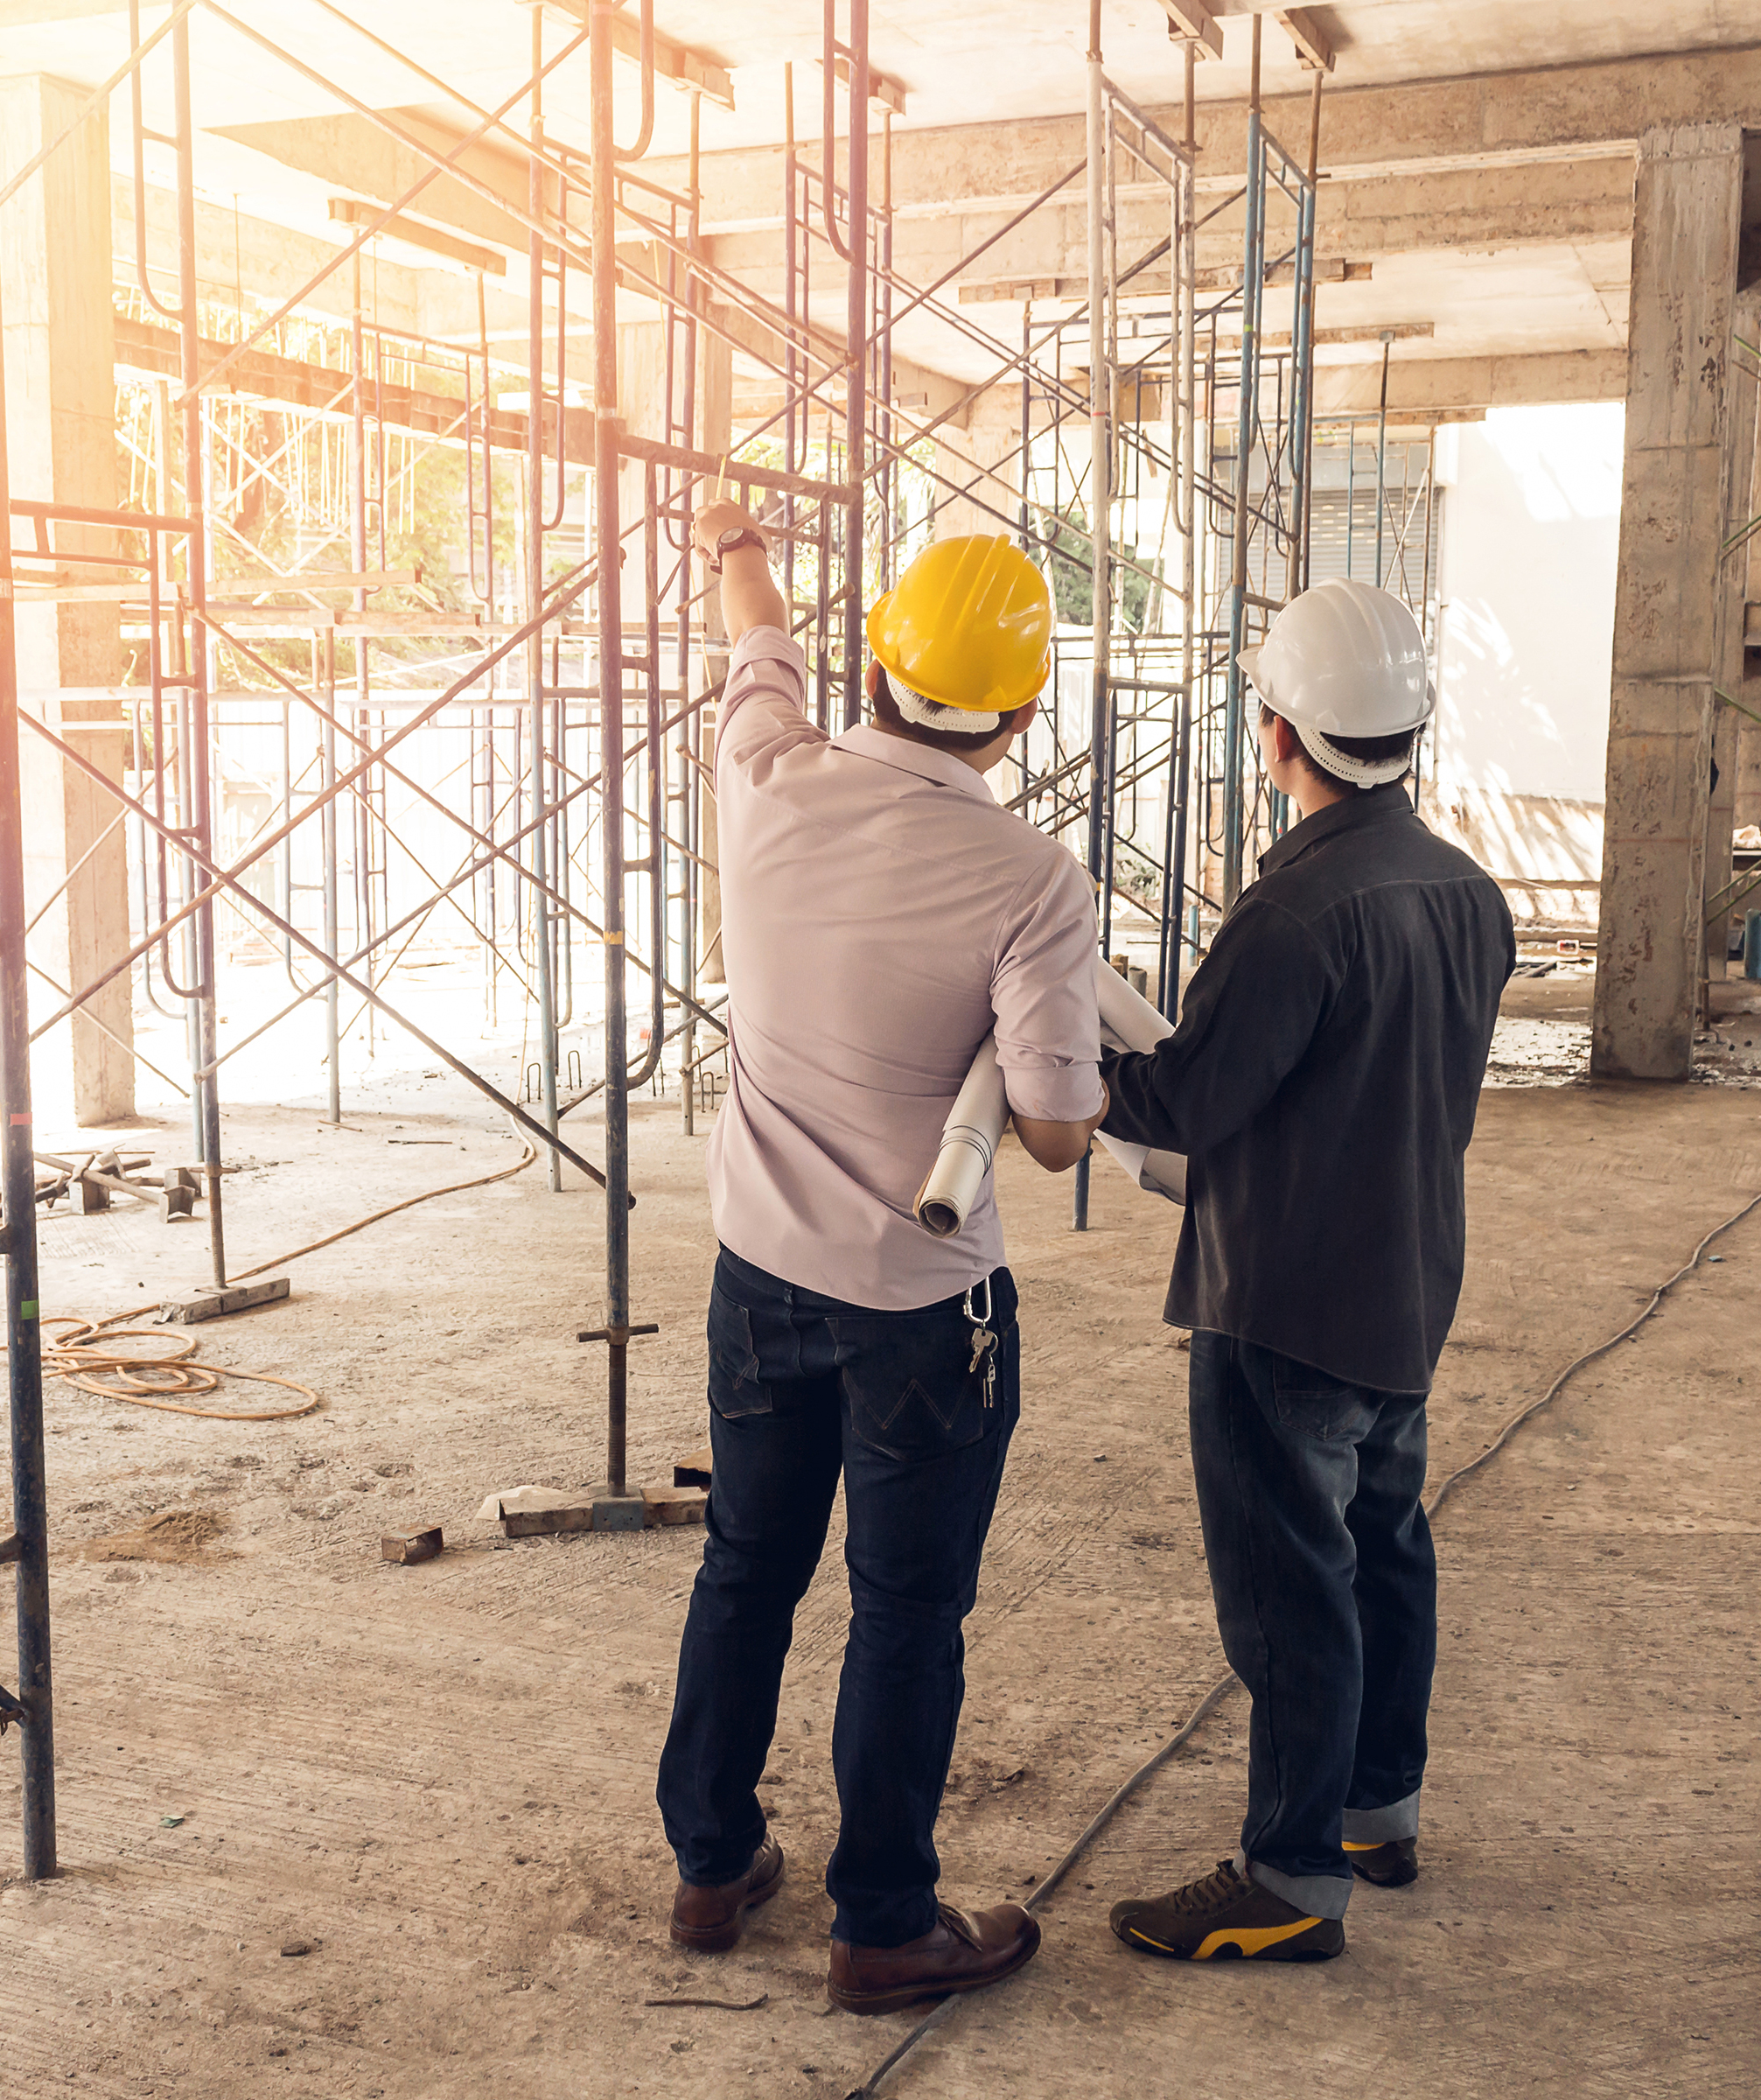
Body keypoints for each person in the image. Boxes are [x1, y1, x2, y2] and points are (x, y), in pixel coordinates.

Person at [655, 502, 1104, 2017]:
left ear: (874, 661)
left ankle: (713, 1867)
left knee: (746, 1570)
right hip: (920, 1312)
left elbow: (754, 637)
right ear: (1025, 713)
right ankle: (884, 1924)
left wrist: (735, 547)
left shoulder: (768, 773)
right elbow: (1051, 1134)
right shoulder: (1032, 881)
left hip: (755, 1276)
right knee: (904, 1612)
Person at [1094, 578, 1513, 1965]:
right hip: (1404, 1282)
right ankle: (1373, 1811)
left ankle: (1287, 1876)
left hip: (1284, 1303)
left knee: (1293, 1587)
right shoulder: (1466, 894)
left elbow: (1187, 1101)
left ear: (1278, 734)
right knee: (1384, 1547)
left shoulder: (1294, 918)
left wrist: (1072, 1063)